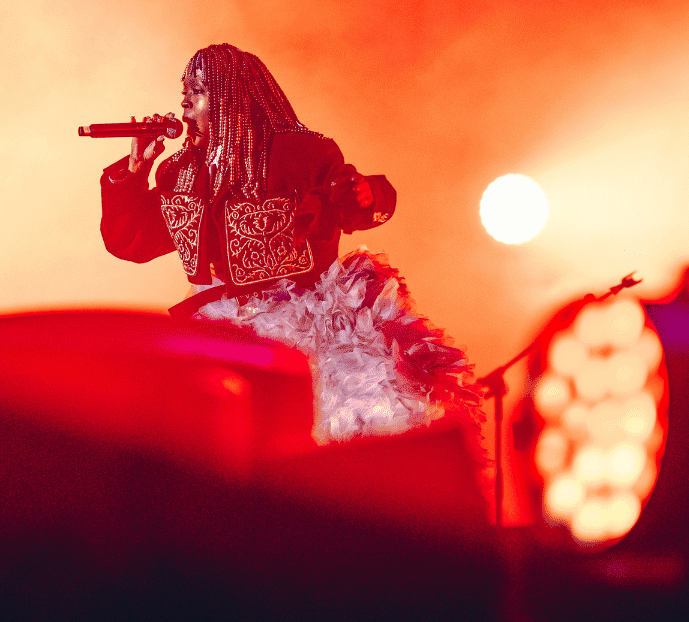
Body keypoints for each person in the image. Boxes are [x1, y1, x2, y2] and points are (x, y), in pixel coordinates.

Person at [100, 43, 478, 443]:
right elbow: (132, 242)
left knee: (319, 444)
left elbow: (355, 199)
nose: (185, 99)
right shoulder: (180, 171)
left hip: (308, 320)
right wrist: (135, 171)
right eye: (184, 90)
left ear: (231, 94)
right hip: (224, 329)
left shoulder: (299, 152)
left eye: (198, 88)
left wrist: (366, 193)